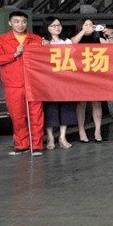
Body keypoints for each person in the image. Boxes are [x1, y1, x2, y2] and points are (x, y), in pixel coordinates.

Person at [0, 11, 44, 156]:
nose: (20, 25)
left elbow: (47, 58)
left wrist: (47, 46)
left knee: (36, 115)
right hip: (13, 85)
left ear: (27, 23)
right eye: (16, 21)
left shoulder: (36, 39)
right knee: (17, 116)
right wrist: (14, 54)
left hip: (33, 84)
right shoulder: (0, 40)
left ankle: (37, 145)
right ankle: (22, 144)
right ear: (10, 23)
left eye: (23, 21)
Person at [41, 17, 82, 149]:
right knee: (50, 108)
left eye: (58, 25)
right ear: (47, 27)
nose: (56, 28)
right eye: (53, 25)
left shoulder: (67, 42)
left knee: (66, 107)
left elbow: (73, 58)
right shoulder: (42, 42)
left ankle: (62, 136)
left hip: (65, 80)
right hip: (49, 81)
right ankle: (50, 137)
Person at [75, 18, 105, 143]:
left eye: (91, 24)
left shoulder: (99, 39)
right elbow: (72, 43)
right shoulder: (76, 38)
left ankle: (97, 130)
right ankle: (81, 130)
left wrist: (110, 36)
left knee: (97, 103)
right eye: (86, 24)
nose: (89, 26)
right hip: (81, 75)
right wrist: (83, 31)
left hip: (96, 75)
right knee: (82, 103)